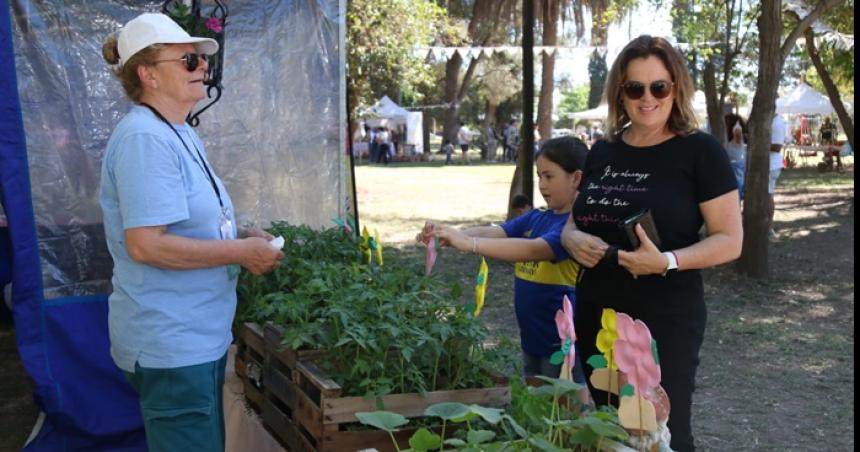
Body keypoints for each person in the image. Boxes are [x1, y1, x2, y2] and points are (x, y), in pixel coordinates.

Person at [100, 13, 284, 452]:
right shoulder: (146, 139)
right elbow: (145, 244)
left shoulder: (175, 130)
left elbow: (183, 220)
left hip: (192, 339)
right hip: (172, 344)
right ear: (147, 74)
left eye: (201, 58)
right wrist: (239, 251)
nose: (203, 66)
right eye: (187, 60)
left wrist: (240, 234)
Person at [560, 35, 742, 452]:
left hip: (665, 318)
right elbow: (574, 220)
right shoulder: (603, 150)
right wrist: (570, 237)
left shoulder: (700, 151)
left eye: (659, 86)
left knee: (663, 432)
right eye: (634, 88)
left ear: (675, 89)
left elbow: (730, 240)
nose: (647, 98)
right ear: (619, 93)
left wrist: (666, 261)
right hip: (598, 314)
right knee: (609, 428)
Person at [417, 136, 590, 390]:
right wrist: (451, 232)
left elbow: (533, 249)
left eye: (549, 177)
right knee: (537, 411)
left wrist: (469, 244)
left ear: (576, 178)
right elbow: (499, 232)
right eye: (539, 176)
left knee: (565, 417)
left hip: (562, 342)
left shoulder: (574, 228)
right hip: (532, 338)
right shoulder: (537, 216)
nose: (542, 185)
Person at [769, 113, 787, 240]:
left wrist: (758, 143)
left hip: (771, 165)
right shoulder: (771, 121)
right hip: (767, 164)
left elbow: (777, 147)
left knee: (768, 196)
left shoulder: (777, 123)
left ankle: (769, 227)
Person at [724, 113, 747, 201]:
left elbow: (738, 131)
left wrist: (737, 122)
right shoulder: (729, 141)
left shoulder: (737, 140)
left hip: (736, 172)